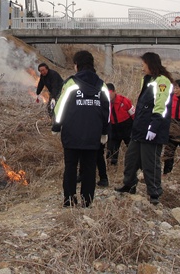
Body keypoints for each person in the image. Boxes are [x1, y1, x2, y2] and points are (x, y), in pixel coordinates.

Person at [52, 50, 110, 208]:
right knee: (90, 168)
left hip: (72, 134)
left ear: (77, 65)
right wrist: (104, 132)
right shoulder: (102, 85)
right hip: (93, 135)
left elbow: (60, 107)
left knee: (71, 166)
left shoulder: (71, 83)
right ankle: (87, 201)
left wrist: (56, 126)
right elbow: (107, 111)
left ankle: (69, 200)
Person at [115, 52, 173, 206]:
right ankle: (129, 185)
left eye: (143, 64)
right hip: (139, 128)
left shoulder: (162, 81)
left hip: (152, 130)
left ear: (150, 64)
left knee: (150, 163)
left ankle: (154, 193)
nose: (142, 68)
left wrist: (153, 127)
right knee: (131, 158)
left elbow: (161, 106)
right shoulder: (147, 80)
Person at [106, 83, 135, 166]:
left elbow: (134, 115)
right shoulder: (105, 103)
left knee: (133, 150)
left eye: (109, 93)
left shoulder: (124, 101)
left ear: (114, 92)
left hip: (127, 127)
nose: (108, 96)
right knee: (111, 152)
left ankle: (134, 166)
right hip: (113, 129)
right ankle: (112, 167)